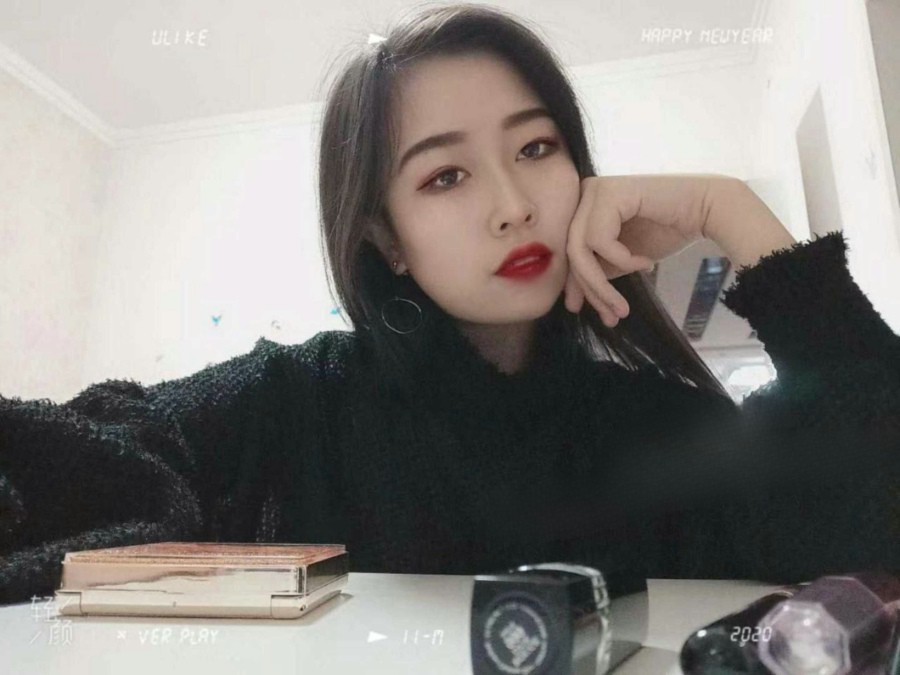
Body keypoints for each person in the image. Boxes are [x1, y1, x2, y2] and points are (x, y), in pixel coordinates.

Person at [2, 4, 900, 606]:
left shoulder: (652, 424)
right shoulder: (297, 399)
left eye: (536, 148)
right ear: (386, 237)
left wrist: (728, 211)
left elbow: (870, 498)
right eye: (446, 175)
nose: (512, 205)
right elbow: (74, 461)